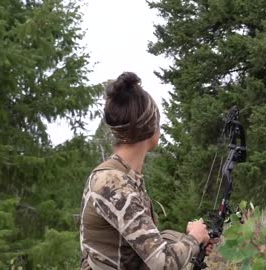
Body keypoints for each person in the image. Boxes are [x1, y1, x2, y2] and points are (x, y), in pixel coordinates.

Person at [79, 72, 212, 269]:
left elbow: (136, 249)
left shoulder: (122, 176)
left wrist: (187, 239)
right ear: (151, 128)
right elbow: (163, 264)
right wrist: (194, 239)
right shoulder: (113, 183)